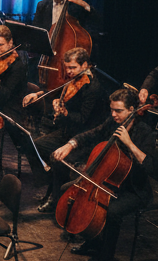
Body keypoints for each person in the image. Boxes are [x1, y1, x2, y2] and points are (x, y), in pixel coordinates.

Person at [49, 89, 158, 261]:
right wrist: (71, 144)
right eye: (111, 110)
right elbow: (93, 133)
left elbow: (150, 166)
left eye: (118, 111)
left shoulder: (144, 132)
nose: (113, 115)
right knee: (67, 190)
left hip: (134, 189)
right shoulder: (113, 122)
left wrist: (130, 143)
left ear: (132, 110)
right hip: (109, 181)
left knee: (112, 212)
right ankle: (92, 241)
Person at [25, 47, 108, 209]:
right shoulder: (76, 79)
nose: (69, 72)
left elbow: (83, 120)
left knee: (58, 160)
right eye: (67, 67)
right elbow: (58, 92)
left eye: (72, 68)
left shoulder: (93, 88)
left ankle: (55, 199)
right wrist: (39, 94)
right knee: (33, 145)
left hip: (83, 138)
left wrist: (64, 113)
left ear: (84, 65)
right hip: (67, 131)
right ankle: (50, 183)